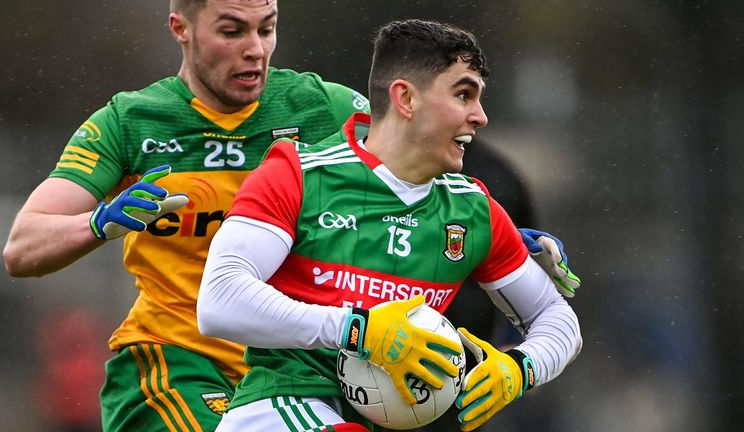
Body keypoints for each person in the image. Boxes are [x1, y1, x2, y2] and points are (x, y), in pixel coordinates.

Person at [2, 0, 373, 430]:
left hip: (292, 370)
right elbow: (22, 246)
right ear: (181, 28)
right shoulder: (131, 122)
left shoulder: (324, 110)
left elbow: (426, 168)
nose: (255, 49)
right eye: (232, 31)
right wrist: (99, 223)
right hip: (174, 362)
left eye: (266, 29)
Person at [198, 18, 582, 432]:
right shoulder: (298, 174)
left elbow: (556, 318)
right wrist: (356, 329)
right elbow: (219, 301)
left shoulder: (473, 211)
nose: (480, 117)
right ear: (405, 99)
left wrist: (520, 369)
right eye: (463, 94)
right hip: (279, 408)